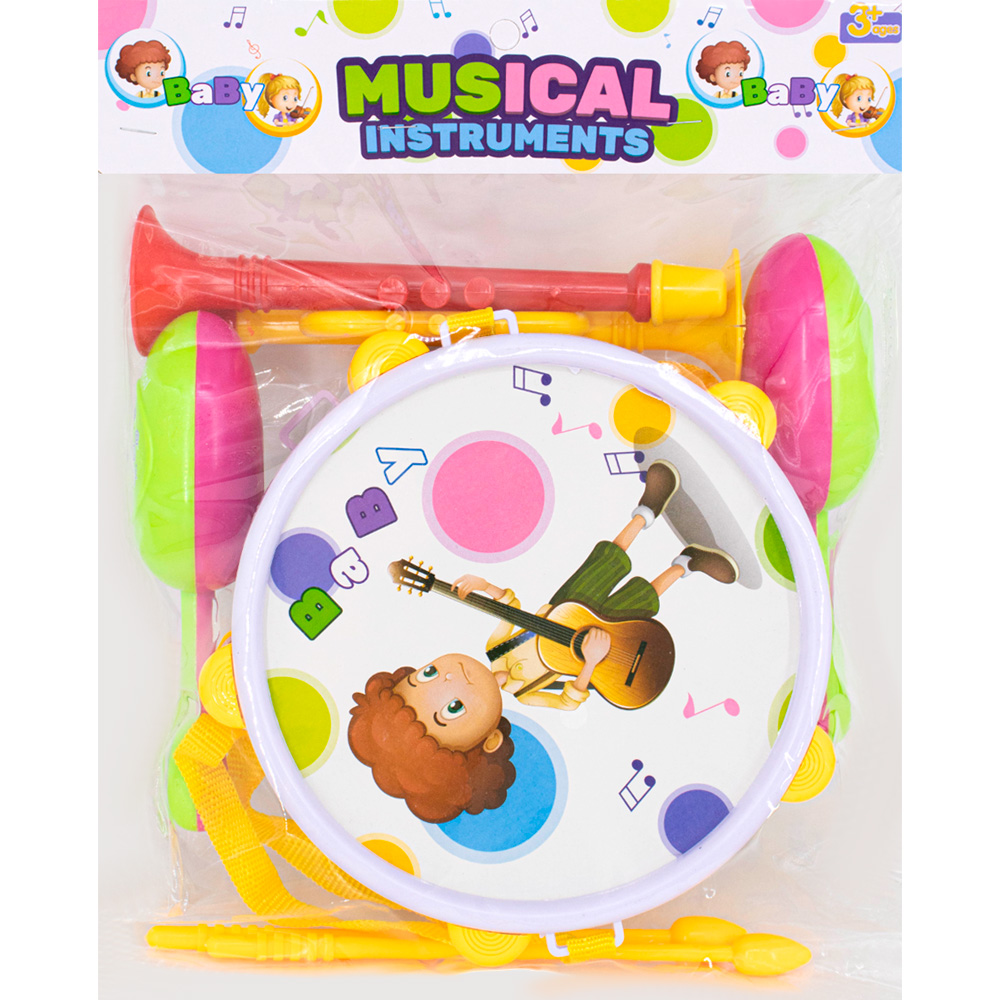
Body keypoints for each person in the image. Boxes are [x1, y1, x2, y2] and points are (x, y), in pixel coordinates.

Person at [348, 461, 739, 823]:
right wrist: (591, 661)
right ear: (490, 740)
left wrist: (483, 585)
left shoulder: (496, 649)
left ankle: (646, 510)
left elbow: (509, 607)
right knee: (641, 602)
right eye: (452, 708)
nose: (451, 678)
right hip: (601, 652)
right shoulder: (527, 693)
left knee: (607, 560)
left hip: (569, 606)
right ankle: (686, 564)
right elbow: (569, 700)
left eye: (428, 674)